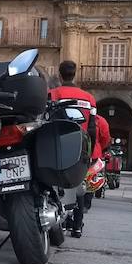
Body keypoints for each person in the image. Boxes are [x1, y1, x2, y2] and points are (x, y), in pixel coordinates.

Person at [49, 60, 98, 237]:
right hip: (80, 147)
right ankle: (77, 226)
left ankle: (58, 223)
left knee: (54, 184)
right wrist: (90, 153)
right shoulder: (89, 98)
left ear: (60, 75)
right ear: (74, 74)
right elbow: (93, 128)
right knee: (78, 185)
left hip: (56, 146)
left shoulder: (53, 94)